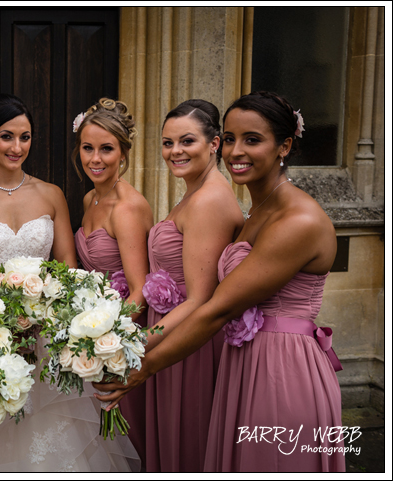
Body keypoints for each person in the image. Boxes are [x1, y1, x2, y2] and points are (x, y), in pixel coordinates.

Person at [96, 91, 344, 472]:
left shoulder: (298, 220)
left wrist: (141, 365)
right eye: (230, 139)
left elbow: (217, 306)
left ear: (285, 146)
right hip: (243, 360)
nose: (236, 151)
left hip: (282, 368)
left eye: (253, 139)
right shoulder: (259, 210)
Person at [0, 93, 140, 472]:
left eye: (25, 137)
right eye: (7, 136)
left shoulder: (52, 195)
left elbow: (68, 268)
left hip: (45, 332)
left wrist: (44, 316)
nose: (17, 147)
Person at [136, 99, 243, 471]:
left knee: (185, 448)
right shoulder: (194, 192)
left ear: (214, 144)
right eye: (167, 143)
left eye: (187, 141)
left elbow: (200, 299)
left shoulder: (208, 200)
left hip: (187, 345)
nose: (175, 151)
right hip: (171, 334)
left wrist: (135, 345)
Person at [70, 97, 153, 466]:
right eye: (88, 148)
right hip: (92, 332)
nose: (95, 159)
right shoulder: (90, 197)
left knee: (123, 438)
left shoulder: (128, 207)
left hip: (117, 342)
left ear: (123, 153)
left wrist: (109, 341)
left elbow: (140, 291)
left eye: (106, 149)